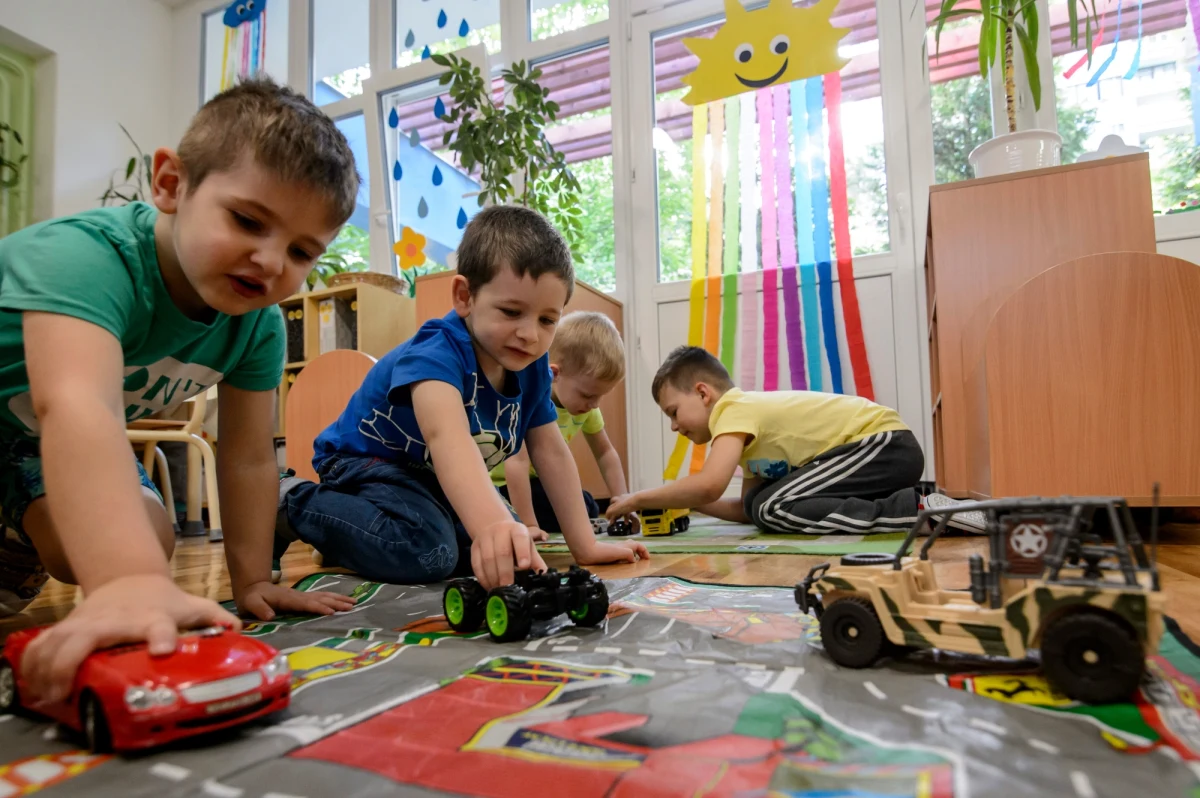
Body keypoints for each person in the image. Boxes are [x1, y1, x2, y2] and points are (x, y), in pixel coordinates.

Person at [0, 77, 358, 702]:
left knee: (151, 533)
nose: (272, 262)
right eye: (248, 220)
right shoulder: (85, 258)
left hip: (26, 446)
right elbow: (78, 405)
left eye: (303, 251)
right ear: (170, 185)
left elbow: (246, 455)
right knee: (128, 559)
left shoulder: (257, 326)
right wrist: (123, 582)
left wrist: (252, 579)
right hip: (53, 421)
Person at [276, 206, 648, 589]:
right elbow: (447, 440)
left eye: (547, 320)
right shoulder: (436, 353)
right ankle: (291, 500)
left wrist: (585, 545)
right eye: (511, 311)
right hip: (361, 462)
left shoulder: (533, 366)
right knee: (432, 551)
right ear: (464, 296)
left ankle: (349, 534)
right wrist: (495, 524)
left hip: (423, 475)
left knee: (491, 544)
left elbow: (551, 452)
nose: (530, 335)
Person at [606, 346, 984, 534]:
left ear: (704, 394)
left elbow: (708, 485)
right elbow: (745, 507)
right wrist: (688, 506)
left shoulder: (733, 409)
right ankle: (920, 504)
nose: (674, 427)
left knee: (773, 507)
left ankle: (916, 509)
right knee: (762, 503)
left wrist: (640, 497)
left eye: (673, 412)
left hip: (881, 445)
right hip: (880, 452)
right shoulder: (746, 435)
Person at [492, 311, 636, 537]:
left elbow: (605, 453)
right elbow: (516, 464)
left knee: (586, 504)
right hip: (499, 486)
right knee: (565, 507)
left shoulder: (587, 408)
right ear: (554, 374)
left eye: (600, 397)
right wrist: (528, 526)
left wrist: (623, 499)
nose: (594, 404)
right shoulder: (528, 399)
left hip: (537, 483)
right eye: (588, 395)